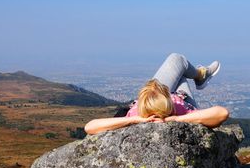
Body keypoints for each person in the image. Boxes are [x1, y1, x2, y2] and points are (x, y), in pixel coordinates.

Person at [84, 53, 229, 135]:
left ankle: (200, 75)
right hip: (181, 99)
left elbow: (90, 127)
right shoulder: (180, 110)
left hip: (156, 100)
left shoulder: (137, 114)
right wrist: (175, 119)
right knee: (177, 62)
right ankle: (200, 75)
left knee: (177, 62)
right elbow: (222, 113)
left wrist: (135, 120)